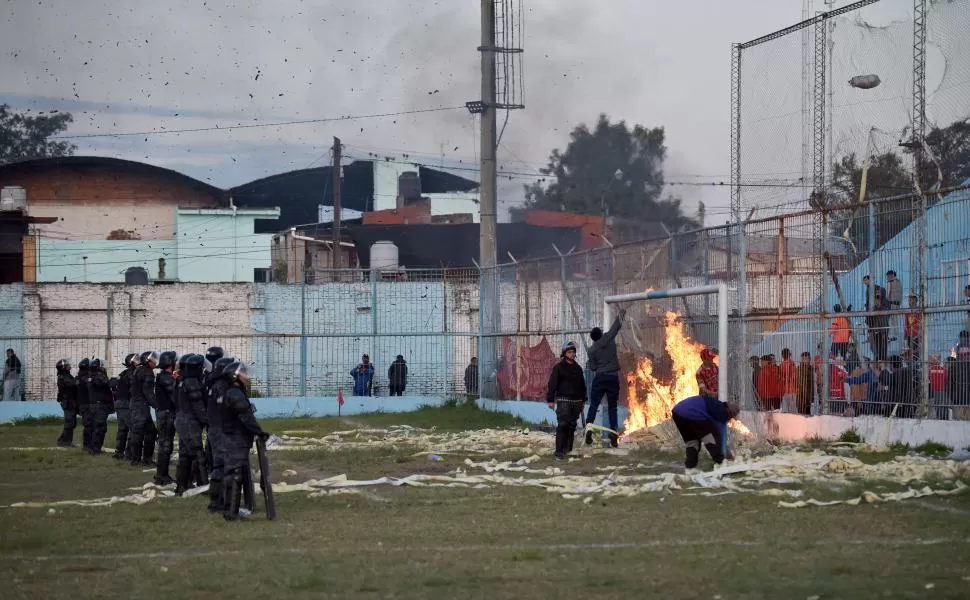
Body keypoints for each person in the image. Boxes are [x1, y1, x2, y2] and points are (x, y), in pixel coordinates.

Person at [218, 362, 269, 521]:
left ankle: (230, 509)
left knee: (231, 473)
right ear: (235, 377)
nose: (247, 377)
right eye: (244, 374)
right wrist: (260, 433)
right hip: (236, 438)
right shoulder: (235, 394)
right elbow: (246, 418)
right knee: (235, 475)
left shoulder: (231, 392)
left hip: (231, 436)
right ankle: (231, 513)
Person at [584, 309, 626, 448]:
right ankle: (613, 433)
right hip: (613, 377)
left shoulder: (591, 350)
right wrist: (622, 312)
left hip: (600, 377)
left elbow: (593, 367)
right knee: (613, 407)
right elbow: (616, 325)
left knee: (594, 404)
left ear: (592, 338)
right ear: (601, 334)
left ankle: (588, 428)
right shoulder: (608, 338)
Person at [671, 395, 741, 468]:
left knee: (692, 442)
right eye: (731, 417)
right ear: (729, 413)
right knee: (712, 437)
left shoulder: (716, 404)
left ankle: (690, 468)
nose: (730, 419)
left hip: (678, 413)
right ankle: (721, 464)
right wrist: (728, 456)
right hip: (694, 414)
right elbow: (720, 436)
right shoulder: (722, 412)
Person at [546, 341, 587, 460]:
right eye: (569, 352)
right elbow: (552, 384)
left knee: (572, 425)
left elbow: (582, 385)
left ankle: (568, 449)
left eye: (573, 352)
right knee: (563, 425)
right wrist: (550, 399)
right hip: (564, 401)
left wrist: (583, 400)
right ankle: (559, 451)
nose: (572, 354)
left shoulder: (578, 368)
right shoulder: (558, 368)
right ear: (564, 353)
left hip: (576, 402)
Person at [175, 354, 209, 495]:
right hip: (189, 421)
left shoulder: (184, 380)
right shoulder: (192, 382)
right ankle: (204, 486)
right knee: (197, 453)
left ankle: (182, 485)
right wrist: (207, 421)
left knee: (185, 454)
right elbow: (198, 406)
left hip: (183, 420)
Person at [206, 355, 236, 513]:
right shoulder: (221, 386)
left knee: (220, 465)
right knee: (222, 465)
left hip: (216, 428)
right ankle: (219, 502)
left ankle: (218, 500)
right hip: (219, 429)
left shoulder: (215, 384)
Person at [127, 351, 159, 466]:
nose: (156, 361)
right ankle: (136, 459)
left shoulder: (140, 370)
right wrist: (157, 405)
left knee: (149, 431)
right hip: (140, 406)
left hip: (138, 405)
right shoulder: (147, 372)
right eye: (153, 359)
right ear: (147, 360)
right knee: (138, 432)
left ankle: (145, 459)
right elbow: (148, 392)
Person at [152, 351, 178, 485]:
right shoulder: (166, 378)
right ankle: (161, 476)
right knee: (166, 445)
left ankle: (163, 474)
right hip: (166, 414)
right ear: (171, 363)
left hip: (166, 413)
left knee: (166, 444)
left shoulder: (166, 376)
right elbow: (175, 395)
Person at [112, 353, 137, 460]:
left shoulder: (123, 373)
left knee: (122, 429)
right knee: (133, 428)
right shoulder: (132, 374)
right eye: (136, 360)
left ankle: (119, 452)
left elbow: (113, 383)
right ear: (131, 363)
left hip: (119, 403)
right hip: (126, 404)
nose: (139, 362)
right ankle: (129, 453)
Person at [87, 359, 114, 455]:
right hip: (100, 405)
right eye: (102, 366)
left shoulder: (92, 376)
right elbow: (107, 383)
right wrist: (116, 380)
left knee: (99, 427)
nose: (104, 367)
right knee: (99, 427)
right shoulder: (98, 376)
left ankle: (95, 448)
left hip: (96, 404)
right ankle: (95, 449)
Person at [55, 358, 78, 447]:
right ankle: (66, 441)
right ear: (63, 367)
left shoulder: (68, 376)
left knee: (72, 423)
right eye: (67, 365)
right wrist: (77, 381)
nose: (69, 365)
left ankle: (63, 440)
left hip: (71, 402)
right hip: (67, 402)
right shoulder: (62, 377)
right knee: (69, 422)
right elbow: (71, 384)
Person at [76, 358, 94, 452]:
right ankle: (87, 445)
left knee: (89, 425)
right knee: (88, 425)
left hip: (83, 404)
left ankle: (89, 444)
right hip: (86, 404)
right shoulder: (85, 378)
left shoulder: (79, 377)